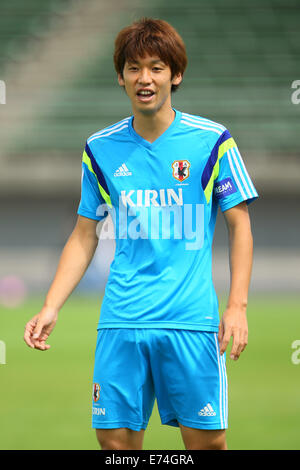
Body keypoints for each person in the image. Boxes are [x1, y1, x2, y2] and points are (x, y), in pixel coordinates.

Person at [24, 17, 258, 450]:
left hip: (190, 320)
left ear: (176, 74)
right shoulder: (100, 147)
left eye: (156, 67)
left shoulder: (213, 141)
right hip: (122, 318)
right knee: (115, 442)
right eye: (134, 68)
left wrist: (238, 306)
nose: (144, 78)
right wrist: (51, 305)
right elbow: (83, 234)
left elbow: (239, 224)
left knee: (206, 444)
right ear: (120, 76)